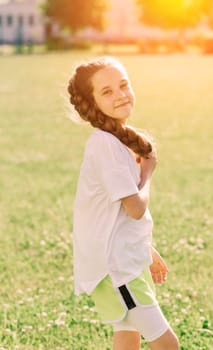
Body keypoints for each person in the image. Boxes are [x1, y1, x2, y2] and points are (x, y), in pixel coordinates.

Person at [67, 56, 179, 350]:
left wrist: (147, 249)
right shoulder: (105, 145)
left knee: (128, 339)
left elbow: (116, 216)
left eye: (123, 85)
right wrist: (148, 171)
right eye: (106, 91)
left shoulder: (115, 141)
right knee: (168, 344)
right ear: (91, 102)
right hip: (116, 269)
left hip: (121, 262)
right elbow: (135, 207)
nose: (120, 95)